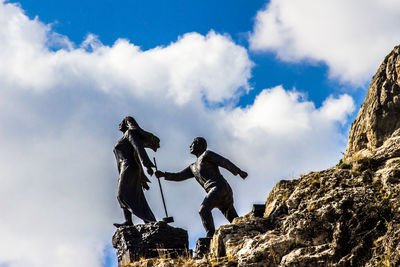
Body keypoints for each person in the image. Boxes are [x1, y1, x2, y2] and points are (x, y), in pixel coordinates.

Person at [155, 137, 248, 237]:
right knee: (232, 216)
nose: (190, 146)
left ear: (200, 145)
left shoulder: (206, 155)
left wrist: (239, 171)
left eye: (193, 143)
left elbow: (224, 162)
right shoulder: (192, 167)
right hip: (215, 191)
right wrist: (163, 174)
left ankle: (210, 236)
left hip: (219, 187)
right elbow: (179, 176)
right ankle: (245, 232)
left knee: (203, 210)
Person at [113, 116, 159, 227]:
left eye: (121, 122)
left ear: (126, 123)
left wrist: (147, 164)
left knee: (121, 194)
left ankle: (134, 220)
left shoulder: (129, 133)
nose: (119, 124)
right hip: (124, 168)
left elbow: (138, 148)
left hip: (130, 166)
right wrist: (142, 179)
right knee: (135, 197)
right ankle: (145, 221)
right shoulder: (124, 136)